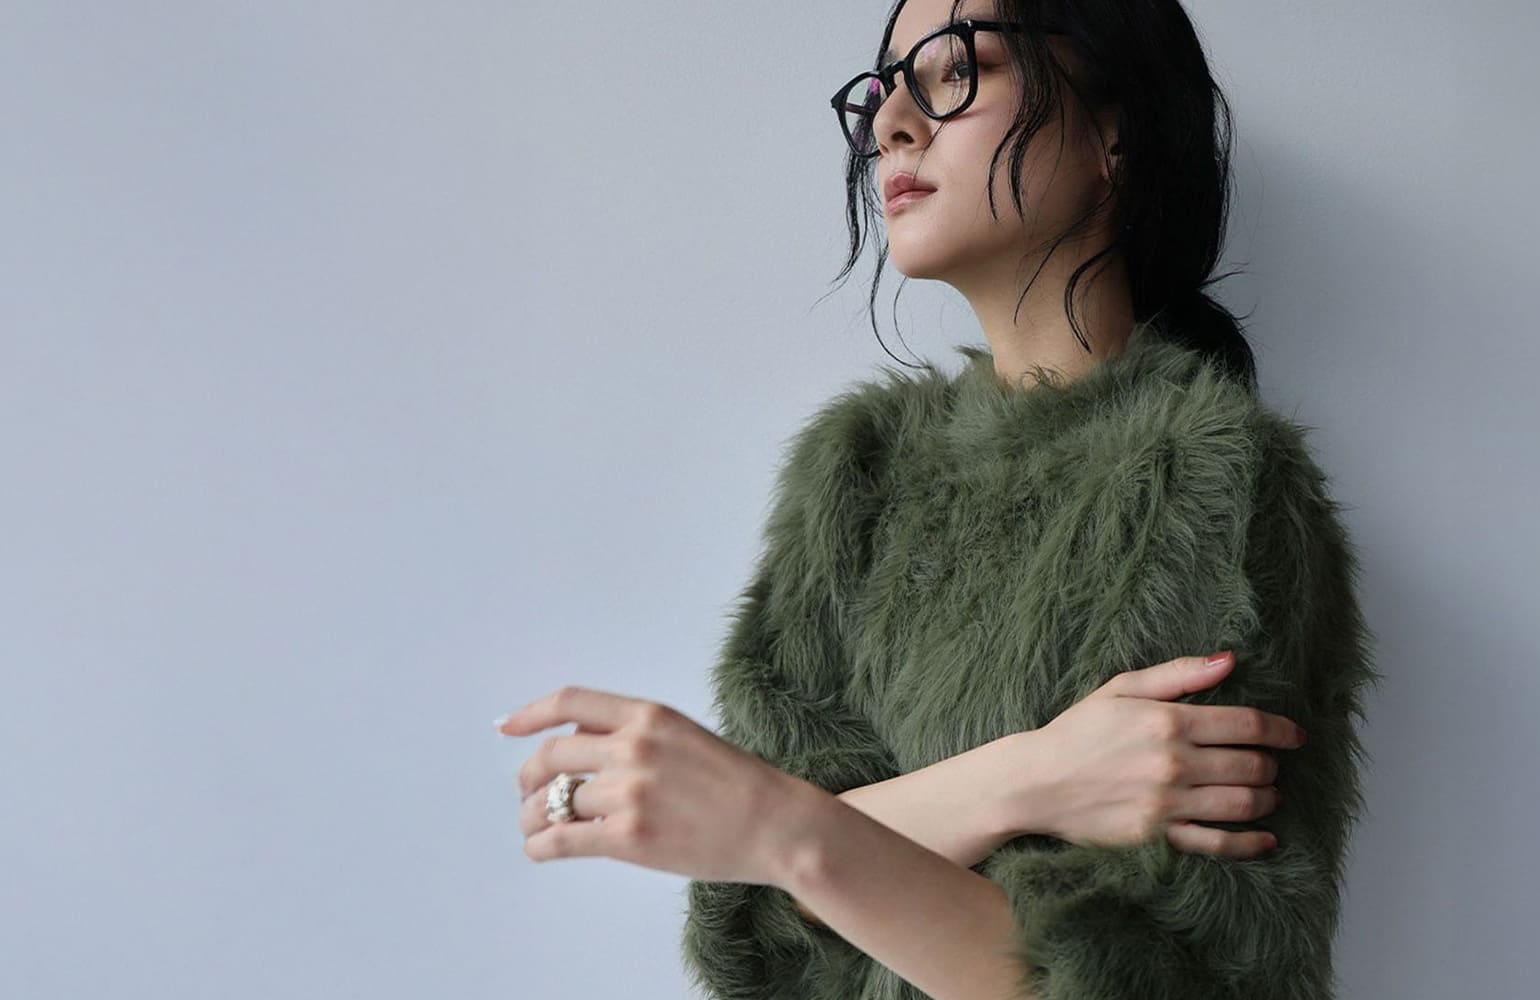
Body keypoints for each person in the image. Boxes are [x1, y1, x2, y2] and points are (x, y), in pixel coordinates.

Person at [502, 2, 1381, 998]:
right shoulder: (854, 473)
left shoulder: (1208, 478)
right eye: (884, 88)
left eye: (959, 69)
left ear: (1114, 131)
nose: (890, 121)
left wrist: (782, 830)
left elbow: (1152, 978)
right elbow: (753, 942)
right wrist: (1028, 776)